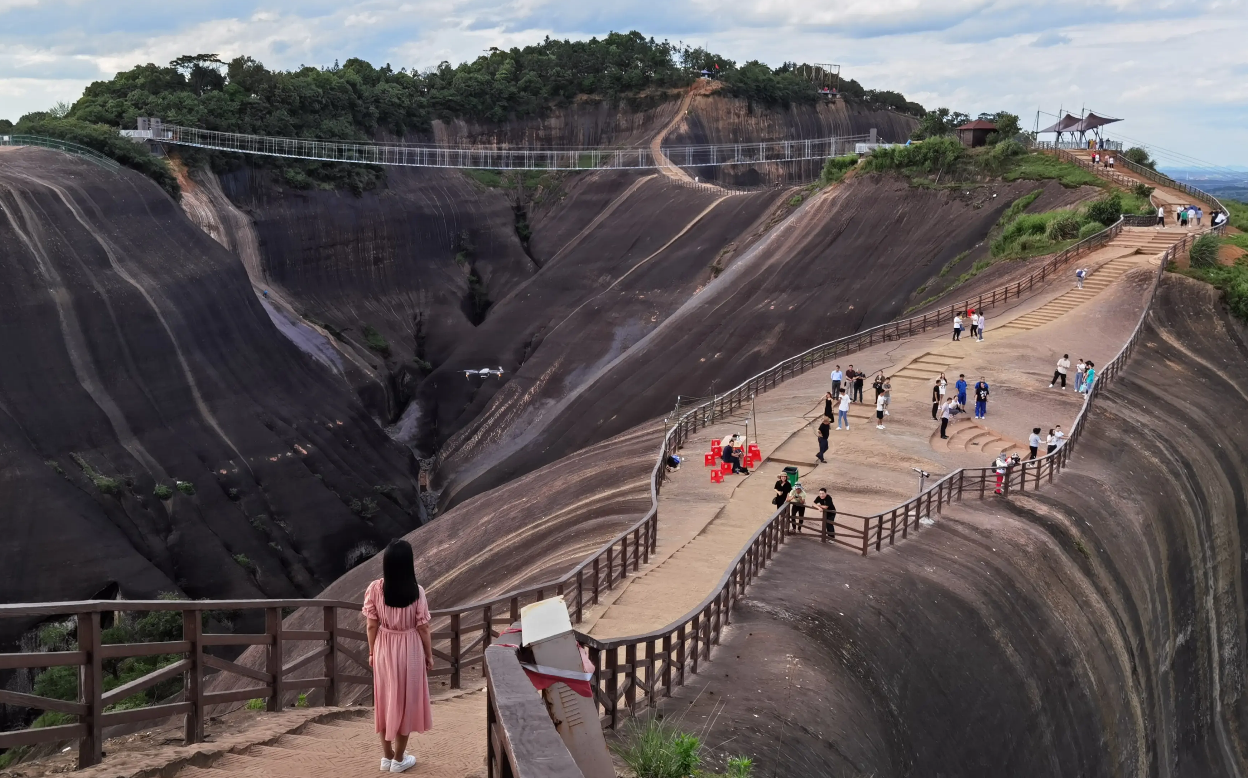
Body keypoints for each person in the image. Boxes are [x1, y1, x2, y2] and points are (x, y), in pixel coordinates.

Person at [364, 540, 433, 774]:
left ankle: (387, 757)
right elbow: (423, 628)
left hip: (384, 646)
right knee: (406, 702)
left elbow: (371, 625)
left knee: (385, 700)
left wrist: (373, 651)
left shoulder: (375, 589)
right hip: (410, 649)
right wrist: (429, 656)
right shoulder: (417, 591)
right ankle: (400, 759)